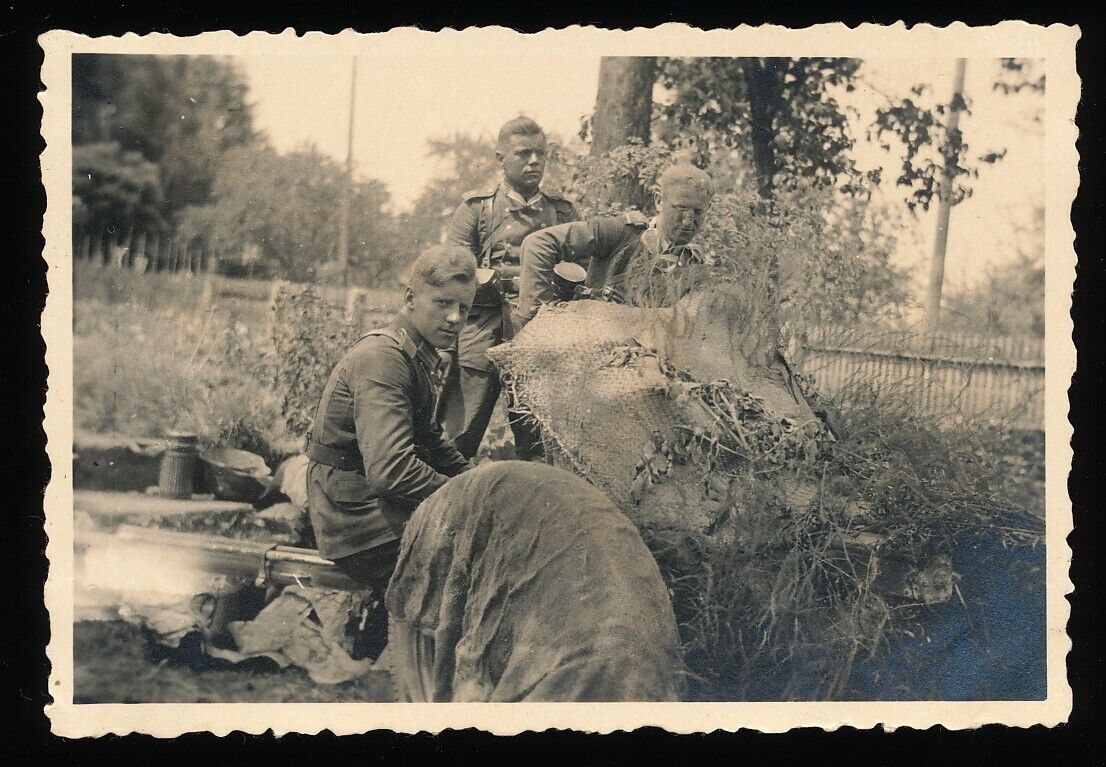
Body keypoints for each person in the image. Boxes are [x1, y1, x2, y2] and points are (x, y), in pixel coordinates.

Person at [305, 245, 477, 601]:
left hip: (369, 501)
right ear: (411, 298)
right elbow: (391, 470)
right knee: (473, 572)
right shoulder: (384, 359)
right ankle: (409, 653)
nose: (455, 319)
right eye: (443, 303)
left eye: (464, 308)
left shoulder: (415, 353)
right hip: (352, 518)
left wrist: (478, 483)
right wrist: (466, 498)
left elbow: (429, 438)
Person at [444, 116, 578, 460]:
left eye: (540, 153)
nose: (534, 161)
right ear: (500, 158)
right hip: (482, 332)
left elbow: (582, 272)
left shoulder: (562, 212)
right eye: (523, 153)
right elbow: (452, 272)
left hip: (537, 335)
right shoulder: (477, 209)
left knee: (537, 441)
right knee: (458, 438)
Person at [518, 163, 714, 322]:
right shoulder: (622, 233)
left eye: (697, 212)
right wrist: (538, 320)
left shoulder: (694, 266)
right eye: (680, 208)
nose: (688, 221)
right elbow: (538, 244)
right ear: (658, 201)